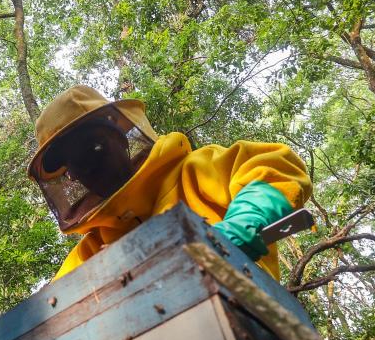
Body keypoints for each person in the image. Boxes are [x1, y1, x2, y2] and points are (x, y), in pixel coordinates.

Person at [28, 85, 312, 281]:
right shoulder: (91, 250)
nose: (84, 170)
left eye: (91, 149)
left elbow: (274, 166)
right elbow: (53, 315)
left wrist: (247, 220)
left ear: (118, 139)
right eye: (73, 165)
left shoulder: (196, 171)